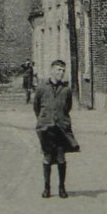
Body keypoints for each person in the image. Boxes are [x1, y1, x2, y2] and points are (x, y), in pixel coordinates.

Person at [32, 60, 78, 198]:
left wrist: (61, 119)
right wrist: (44, 119)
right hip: (46, 126)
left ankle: (62, 188)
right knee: (47, 156)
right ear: (52, 71)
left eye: (63, 70)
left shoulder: (66, 89)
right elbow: (36, 106)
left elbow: (67, 106)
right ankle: (47, 188)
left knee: (60, 156)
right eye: (58, 70)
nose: (61, 73)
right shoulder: (42, 88)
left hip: (61, 127)